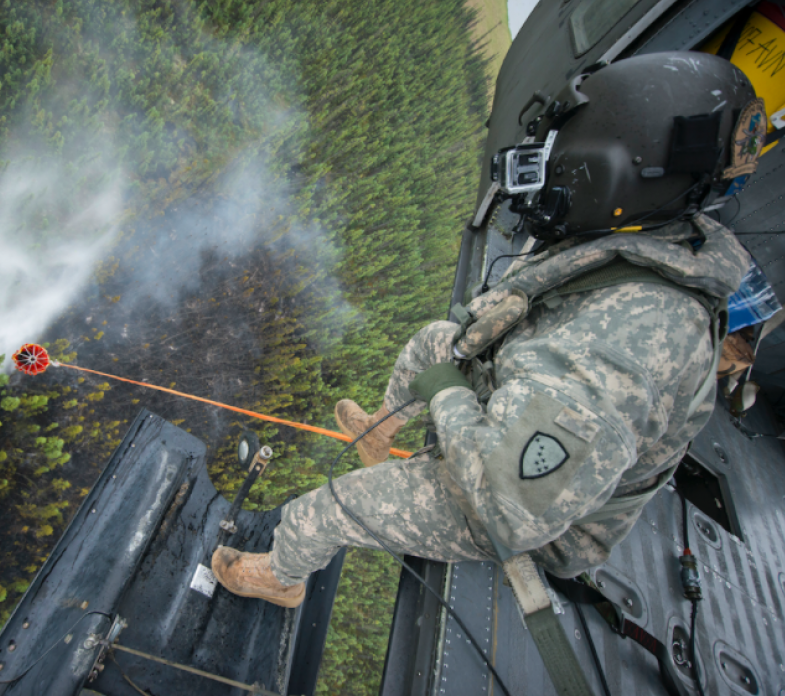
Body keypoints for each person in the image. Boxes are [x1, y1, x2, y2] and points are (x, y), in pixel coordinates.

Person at [211, 52, 764, 608]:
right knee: (431, 343)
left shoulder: (624, 353)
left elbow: (508, 504)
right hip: (520, 420)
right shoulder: (659, 236)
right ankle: (381, 429)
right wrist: (464, 357)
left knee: (328, 507)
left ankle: (280, 579)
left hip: (532, 512)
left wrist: (450, 394)